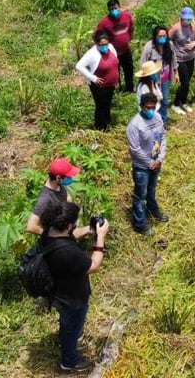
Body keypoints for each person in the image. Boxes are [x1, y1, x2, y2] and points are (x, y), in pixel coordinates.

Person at [38, 199, 109, 372]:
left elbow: (69, 235)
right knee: (73, 324)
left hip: (57, 290)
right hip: (72, 297)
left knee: (67, 322)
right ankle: (69, 361)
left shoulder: (48, 234)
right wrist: (100, 237)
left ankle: (69, 337)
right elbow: (94, 266)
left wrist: (89, 230)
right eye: (75, 222)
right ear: (69, 225)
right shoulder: (67, 252)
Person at [126, 92, 168, 235]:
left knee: (152, 190)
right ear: (142, 106)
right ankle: (139, 223)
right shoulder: (135, 125)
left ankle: (152, 210)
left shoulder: (157, 117)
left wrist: (160, 158)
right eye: (148, 107)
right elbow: (135, 149)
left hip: (156, 163)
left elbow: (162, 137)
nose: (151, 110)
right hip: (142, 167)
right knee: (140, 194)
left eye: (153, 107)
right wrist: (150, 162)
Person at [27, 158, 94, 238]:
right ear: (58, 178)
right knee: (89, 230)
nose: (70, 179)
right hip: (58, 231)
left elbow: (67, 196)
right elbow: (30, 227)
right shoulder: (45, 199)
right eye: (68, 177)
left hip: (65, 223)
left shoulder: (58, 185)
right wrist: (54, 235)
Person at [75, 30, 119, 131]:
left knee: (108, 104)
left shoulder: (111, 47)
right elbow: (79, 66)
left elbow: (114, 62)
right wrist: (93, 78)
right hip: (99, 86)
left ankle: (108, 123)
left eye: (106, 44)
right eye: (101, 45)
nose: (104, 46)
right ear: (96, 43)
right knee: (100, 107)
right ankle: (100, 127)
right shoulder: (92, 54)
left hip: (110, 84)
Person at [95, 0, 135, 93]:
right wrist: (100, 45)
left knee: (129, 69)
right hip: (113, 53)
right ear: (108, 10)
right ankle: (118, 88)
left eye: (115, 8)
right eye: (111, 9)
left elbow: (132, 25)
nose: (114, 11)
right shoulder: (104, 22)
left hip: (125, 50)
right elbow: (95, 33)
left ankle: (130, 87)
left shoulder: (126, 16)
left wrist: (130, 37)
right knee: (115, 71)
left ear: (119, 7)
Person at [168, 7, 195, 115]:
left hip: (190, 58)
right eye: (186, 19)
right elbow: (166, 39)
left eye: (189, 19)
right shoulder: (176, 28)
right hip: (180, 59)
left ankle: (184, 102)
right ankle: (176, 104)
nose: (188, 21)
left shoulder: (192, 26)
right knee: (184, 83)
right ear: (181, 18)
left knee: (188, 82)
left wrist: (194, 44)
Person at [140, 25, 173, 121]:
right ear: (155, 36)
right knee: (153, 101)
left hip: (165, 78)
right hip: (153, 79)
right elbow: (143, 62)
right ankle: (154, 119)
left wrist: (175, 72)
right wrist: (145, 76)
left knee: (165, 100)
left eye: (164, 36)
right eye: (160, 36)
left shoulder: (169, 45)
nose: (162, 38)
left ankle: (163, 119)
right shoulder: (149, 47)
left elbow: (173, 60)